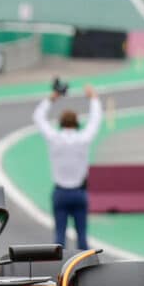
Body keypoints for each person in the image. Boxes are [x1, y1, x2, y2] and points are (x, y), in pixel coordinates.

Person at [32, 84, 102, 250]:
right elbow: (95, 119)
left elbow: (38, 117)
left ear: (60, 123)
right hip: (79, 192)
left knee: (59, 238)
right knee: (82, 238)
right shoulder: (83, 138)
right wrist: (93, 98)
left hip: (61, 192)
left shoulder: (54, 138)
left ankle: (58, 272)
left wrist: (53, 97)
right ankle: (85, 271)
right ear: (77, 123)